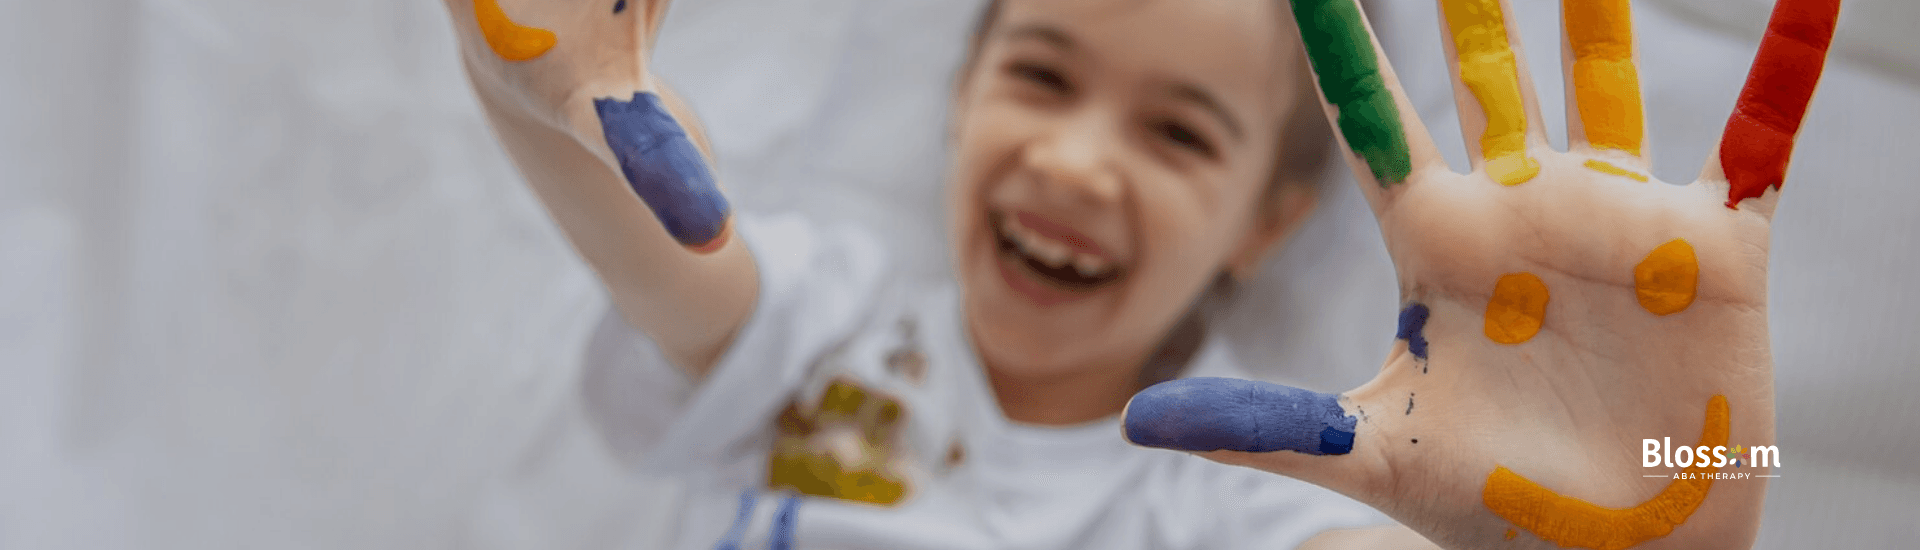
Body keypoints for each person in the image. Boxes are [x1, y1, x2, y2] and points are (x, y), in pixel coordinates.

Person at [439, 0, 1838, 546]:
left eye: (1178, 131)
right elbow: (634, 233)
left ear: (1265, 221)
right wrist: (529, 91)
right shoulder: (817, 332)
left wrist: (1661, 472)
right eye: (1041, 74)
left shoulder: (1241, 508)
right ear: (960, 98)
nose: (1080, 163)